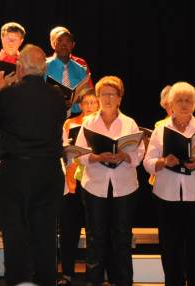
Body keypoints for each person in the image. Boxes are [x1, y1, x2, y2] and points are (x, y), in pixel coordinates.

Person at [0, 44, 65, 285]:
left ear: (19, 67)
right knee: (46, 232)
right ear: (44, 68)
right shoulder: (57, 97)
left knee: (15, 231)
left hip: (15, 171)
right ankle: (46, 280)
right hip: (49, 170)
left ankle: (19, 280)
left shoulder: (9, 94)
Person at [142, 81, 195, 286]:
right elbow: (147, 163)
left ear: (194, 104)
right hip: (167, 195)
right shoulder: (161, 130)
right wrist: (163, 162)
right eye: (180, 100)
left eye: (189, 100)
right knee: (170, 248)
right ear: (171, 103)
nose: (185, 104)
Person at [72, 76, 143, 285]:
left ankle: (123, 281)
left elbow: (139, 153)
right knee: (96, 238)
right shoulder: (89, 122)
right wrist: (96, 157)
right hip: (95, 186)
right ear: (98, 97)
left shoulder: (129, 123)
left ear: (120, 99)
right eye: (104, 94)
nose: (108, 98)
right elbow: (79, 153)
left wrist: (125, 156)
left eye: (112, 94)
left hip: (124, 187)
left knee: (122, 238)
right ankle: (94, 281)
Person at [58, 88, 98, 285]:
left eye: (93, 103)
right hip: (73, 181)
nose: (90, 107)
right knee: (69, 230)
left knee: (94, 231)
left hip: (94, 182)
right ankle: (67, 273)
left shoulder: (100, 124)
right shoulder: (70, 123)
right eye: (86, 103)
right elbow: (64, 149)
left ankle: (94, 275)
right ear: (80, 105)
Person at [46, 28, 90, 115]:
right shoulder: (44, 67)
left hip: (75, 116)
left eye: (68, 42)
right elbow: (38, 92)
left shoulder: (81, 69)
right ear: (54, 44)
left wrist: (76, 99)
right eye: (60, 41)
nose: (64, 45)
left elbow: (87, 95)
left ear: (73, 45)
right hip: (50, 114)